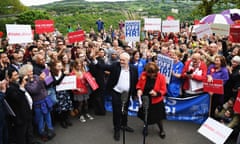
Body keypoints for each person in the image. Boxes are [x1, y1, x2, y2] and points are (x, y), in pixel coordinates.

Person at [92, 52, 138, 141]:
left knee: (125, 110)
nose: (121, 61)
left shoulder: (134, 69)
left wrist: (134, 94)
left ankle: (124, 125)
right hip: (116, 93)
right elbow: (103, 67)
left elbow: (135, 81)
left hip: (127, 94)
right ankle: (116, 129)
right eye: (120, 59)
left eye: (123, 60)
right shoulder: (115, 66)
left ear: (128, 61)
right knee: (117, 112)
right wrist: (94, 60)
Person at [136, 62, 167, 139]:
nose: (150, 75)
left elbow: (164, 90)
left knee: (158, 117)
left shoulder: (161, 77)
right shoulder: (143, 74)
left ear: (156, 71)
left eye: (152, 73)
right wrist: (139, 90)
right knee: (145, 115)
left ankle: (161, 130)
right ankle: (145, 127)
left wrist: (156, 93)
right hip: (145, 99)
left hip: (156, 101)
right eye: (148, 73)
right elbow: (139, 85)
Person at [5, 67, 33, 144]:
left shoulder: (16, 84)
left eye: (17, 74)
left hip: (26, 114)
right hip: (20, 117)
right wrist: (22, 86)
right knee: (22, 136)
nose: (17, 76)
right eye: (15, 75)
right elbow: (18, 98)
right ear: (9, 78)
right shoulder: (9, 88)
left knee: (29, 132)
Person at [70, 58, 94, 123]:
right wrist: (76, 88)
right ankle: (80, 115)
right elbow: (71, 84)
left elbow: (87, 80)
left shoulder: (84, 71)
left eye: (80, 64)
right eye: (78, 65)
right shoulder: (72, 73)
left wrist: (92, 80)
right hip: (78, 90)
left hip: (85, 89)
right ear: (75, 65)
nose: (79, 66)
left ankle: (86, 113)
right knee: (80, 103)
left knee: (86, 102)